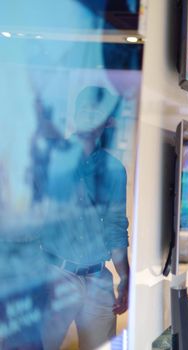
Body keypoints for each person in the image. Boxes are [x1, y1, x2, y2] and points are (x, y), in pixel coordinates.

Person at [40, 86, 130, 350]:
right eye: (83, 109)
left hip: (98, 278)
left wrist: (124, 276)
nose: (89, 115)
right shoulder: (51, 158)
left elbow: (115, 226)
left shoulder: (115, 170)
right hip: (56, 273)